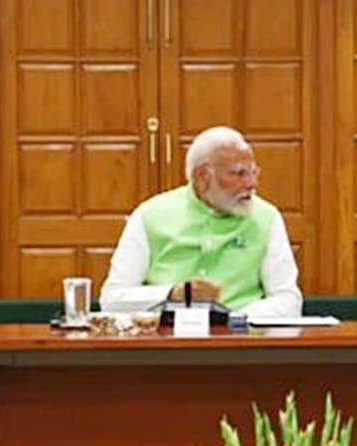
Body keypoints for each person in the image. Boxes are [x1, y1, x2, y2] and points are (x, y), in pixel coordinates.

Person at [100, 126, 301, 318]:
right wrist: (172, 294)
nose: (251, 184)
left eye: (253, 172)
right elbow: (111, 300)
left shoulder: (266, 217)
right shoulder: (150, 215)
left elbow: (288, 300)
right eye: (239, 173)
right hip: (166, 343)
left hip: (241, 341)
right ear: (203, 176)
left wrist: (234, 318)